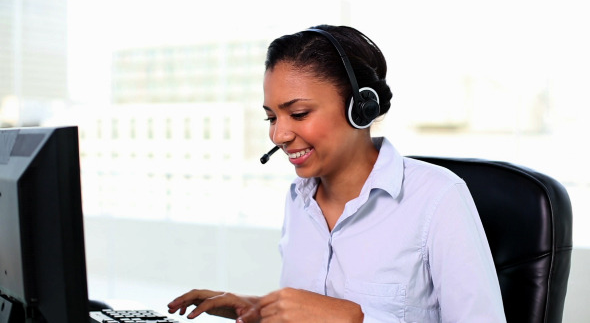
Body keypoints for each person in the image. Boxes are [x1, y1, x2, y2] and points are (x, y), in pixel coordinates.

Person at [167, 24, 506, 323]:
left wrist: (354, 320)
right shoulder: (298, 199)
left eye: (298, 114)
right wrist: (259, 309)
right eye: (271, 117)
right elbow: (311, 312)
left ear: (361, 108)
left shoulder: (437, 198)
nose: (278, 135)